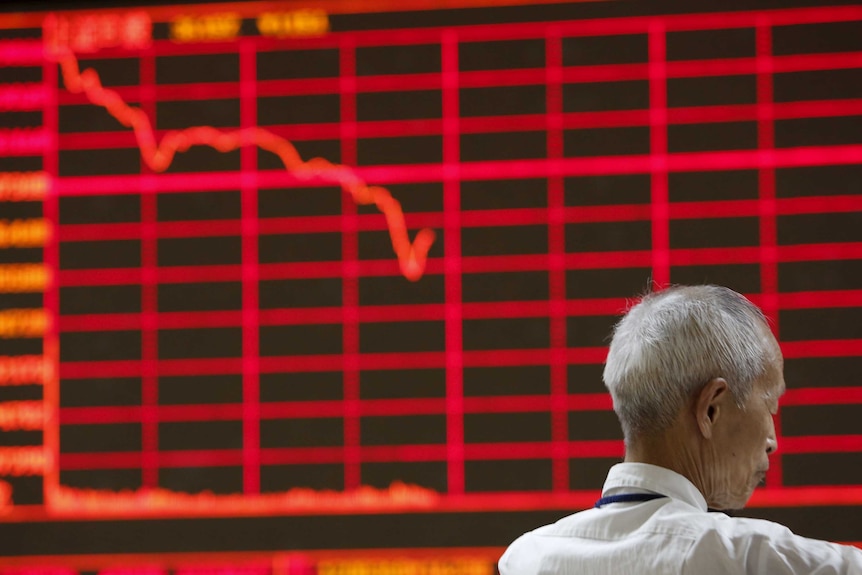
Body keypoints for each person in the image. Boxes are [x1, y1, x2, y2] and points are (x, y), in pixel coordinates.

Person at [499, 285, 862, 574]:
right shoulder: (753, 560)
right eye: (770, 406)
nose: (773, 440)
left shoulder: (525, 559)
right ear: (711, 408)